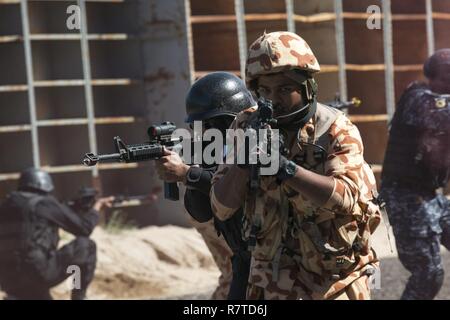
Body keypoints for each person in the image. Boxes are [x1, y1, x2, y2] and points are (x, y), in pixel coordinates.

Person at [210, 31, 382, 300]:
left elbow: (346, 197)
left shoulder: (335, 128)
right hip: (270, 281)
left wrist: (284, 168)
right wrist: (243, 162)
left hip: (334, 281)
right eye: (264, 90)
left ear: (307, 87)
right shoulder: (245, 124)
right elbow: (220, 207)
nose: (272, 99)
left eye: (283, 89)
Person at [154, 72, 255, 299]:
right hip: (244, 258)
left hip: (275, 258)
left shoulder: (257, 141)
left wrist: (189, 174)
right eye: (202, 125)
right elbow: (200, 213)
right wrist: (192, 167)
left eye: (214, 123)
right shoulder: (212, 148)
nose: (208, 130)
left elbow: (243, 189)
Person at [380, 48, 450, 300]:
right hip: (405, 197)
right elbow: (441, 114)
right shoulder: (418, 98)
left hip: (432, 197)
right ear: (439, 77)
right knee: (428, 274)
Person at [0, 168, 113, 300]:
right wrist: (95, 209)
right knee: (86, 246)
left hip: (8, 279)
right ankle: (78, 296)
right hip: (38, 273)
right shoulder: (44, 203)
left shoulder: (6, 206)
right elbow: (84, 228)